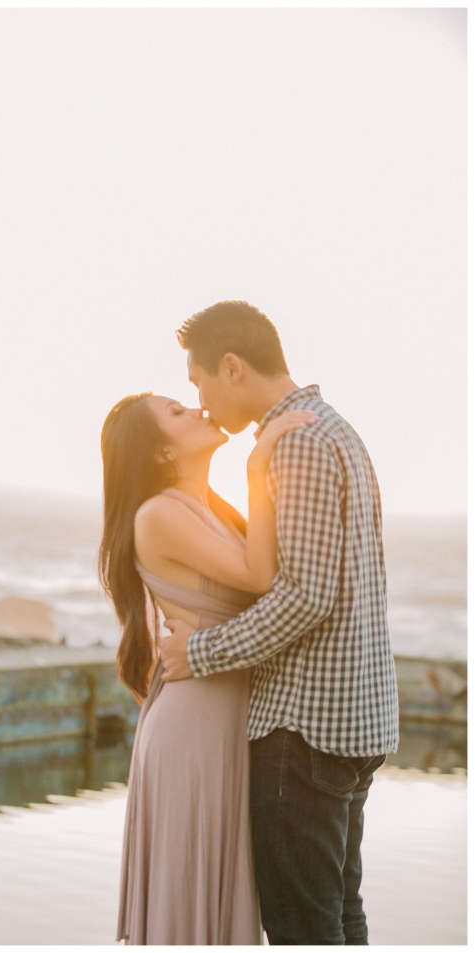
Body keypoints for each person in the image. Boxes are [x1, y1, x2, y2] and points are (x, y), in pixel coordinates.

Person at [159, 300, 399, 946]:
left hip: (304, 728)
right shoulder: (333, 428)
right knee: (339, 918)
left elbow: (306, 596)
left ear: (231, 367)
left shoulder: (294, 442)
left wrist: (199, 652)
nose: (201, 401)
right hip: (354, 719)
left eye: (199, 381)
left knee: (302, 929)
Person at [99, 386, 317, 944]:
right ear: (160, 454)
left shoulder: (208, 509)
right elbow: (259, 577)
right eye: (177, 411)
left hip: (223, 717)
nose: (197, 408)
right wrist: (259, 463)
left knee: (220, 902)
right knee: (193, 908)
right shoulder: (159, 515)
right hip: (194, 730)